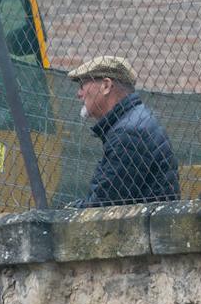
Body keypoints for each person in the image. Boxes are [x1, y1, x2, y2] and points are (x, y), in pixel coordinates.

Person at [68, 55, 180, 208]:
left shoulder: (129, 133)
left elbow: (104, 205)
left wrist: (69, 211)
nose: (79, 94)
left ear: (106, 86)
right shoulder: (132, 122)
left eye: (82, 85)